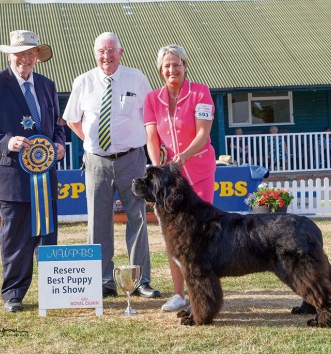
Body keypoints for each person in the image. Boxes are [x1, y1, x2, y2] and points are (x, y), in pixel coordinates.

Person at [0, 30, 66, 312]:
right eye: (20, 53)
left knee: (47, 234)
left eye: (31, 52)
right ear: (10, 55)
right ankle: (13, 293)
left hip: (45, 174)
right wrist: (5, 142)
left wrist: (59, 145)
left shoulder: (48, 85)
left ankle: (54, 290)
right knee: (14, 238)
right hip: (10, 175)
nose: (25, 58)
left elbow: (56, 126)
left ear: (38, 56)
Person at [62, 32, 160, 299]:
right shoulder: (83, 81)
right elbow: (72, 120)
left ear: (121, 51)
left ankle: (140, 280)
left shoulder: (137, 78)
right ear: (95, 54)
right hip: (96, 162)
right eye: (101, 51)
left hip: (132, 158)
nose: (106, 56)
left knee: (138, 218)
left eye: (110, 50)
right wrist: (93, 143)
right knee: (97, 222)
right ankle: (103, 281)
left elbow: (150, 116)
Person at [144, 44, 216, 311]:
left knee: (199, 234)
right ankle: (178, 294)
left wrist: (184, 155)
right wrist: (156, 167)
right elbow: (151, 136)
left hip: (198, 170)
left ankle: (203, 293)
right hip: (169, 179)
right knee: (172, 235)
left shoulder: (201, 92)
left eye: (176, 64)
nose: (171, 69)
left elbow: (203, 134)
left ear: (186, 66)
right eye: (166, 66)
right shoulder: (152, 99)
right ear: (160, 70)